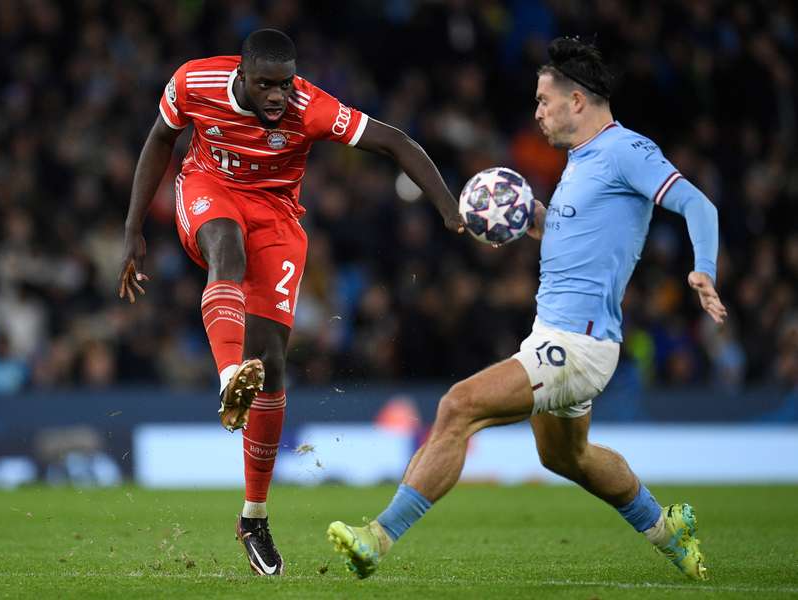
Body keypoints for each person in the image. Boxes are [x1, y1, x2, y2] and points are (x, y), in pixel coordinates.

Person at [327, 37, 726, 581]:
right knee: (566, 457)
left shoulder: (625, 150)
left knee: (457, 406)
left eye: (543, 100)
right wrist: (522, 217)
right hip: (557, 337)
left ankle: (378, 537)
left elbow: (696, 203)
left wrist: (704, 268)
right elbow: (573, 237)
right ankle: (667, 529)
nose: (537, 112)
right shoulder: (581, 165)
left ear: (577, 101)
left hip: (577, 346)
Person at [118, 29, 464, 576]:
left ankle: (253, 516)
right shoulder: (195, 80)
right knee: (225, 251)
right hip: (208, 188)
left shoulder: (311, 106)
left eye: (285, 84)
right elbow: (160, 140)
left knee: (274, 366)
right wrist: (134, 228)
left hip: (277, 217)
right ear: (242, 74)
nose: (279, 95)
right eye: (266, 85)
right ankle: (230, 376)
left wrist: (448, 208)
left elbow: (395, 141)